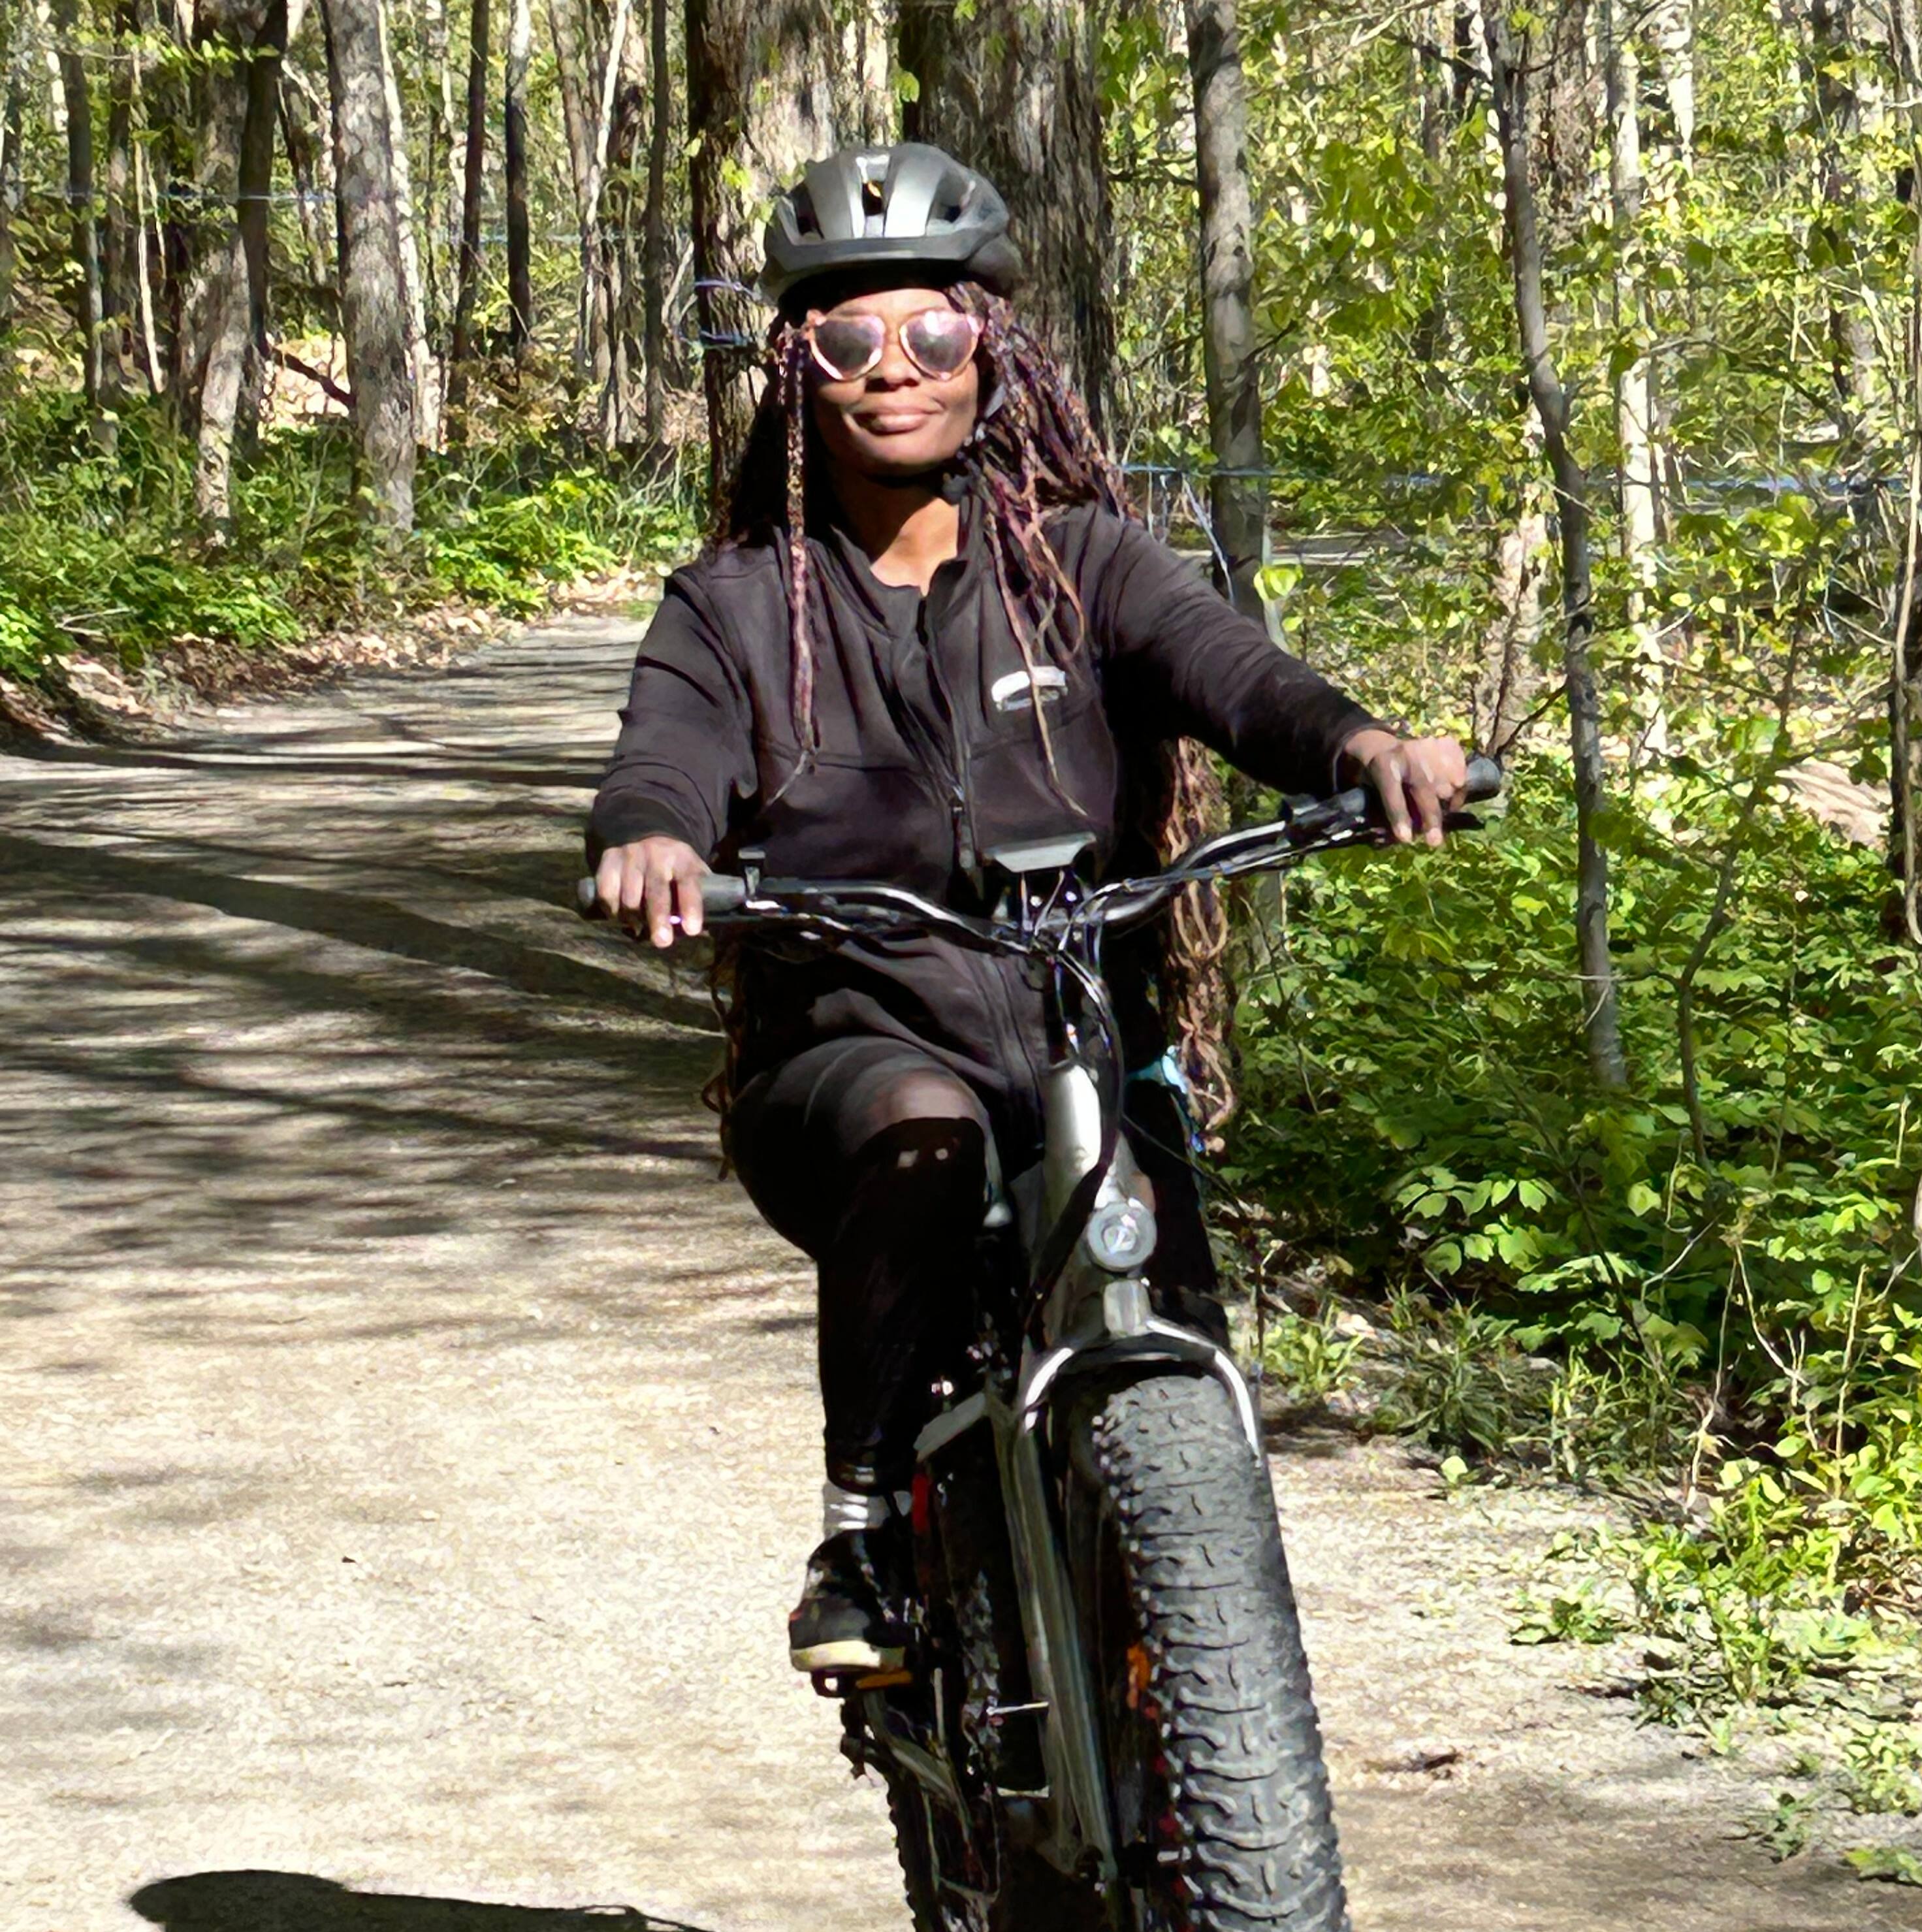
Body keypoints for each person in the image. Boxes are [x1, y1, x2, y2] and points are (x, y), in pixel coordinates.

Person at [586, 142, 1466, 1679]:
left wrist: (1362, 747)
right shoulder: (732, 601)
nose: (893, 372)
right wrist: (654, 842)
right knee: (923, 1134)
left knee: (1179, 1344)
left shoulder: (1086, 565)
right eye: (849, 342)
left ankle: (1188, 1725)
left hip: (1083, 1040)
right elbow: (665, 757)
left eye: (934, 334)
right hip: (856, 1050)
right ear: (799, 367)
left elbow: (1236, 676)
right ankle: (859, 1529)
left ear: (994, 350)